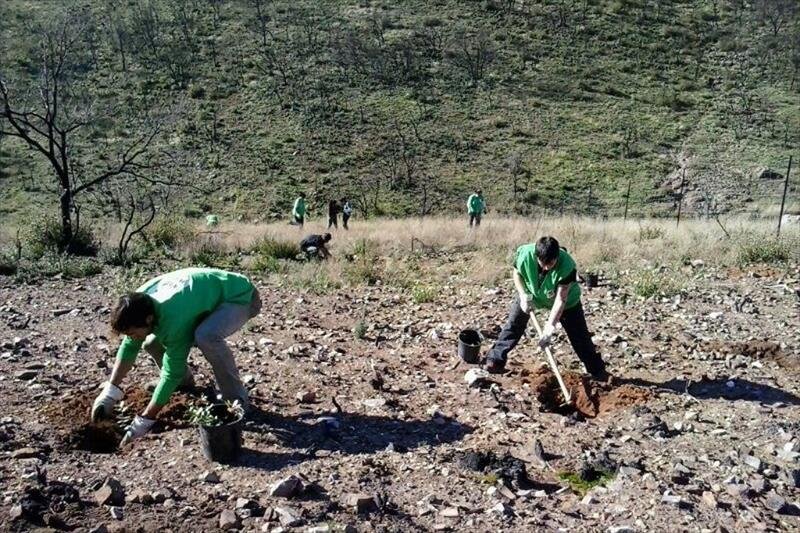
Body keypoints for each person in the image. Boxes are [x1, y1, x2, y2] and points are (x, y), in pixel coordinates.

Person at [91, 268, 261, 445]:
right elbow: (129, 346)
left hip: (239, 296)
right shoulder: (137, 303)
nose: (131, 337)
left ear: (149, 319)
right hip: (202, 295)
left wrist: (145, 419)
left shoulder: (174, 319)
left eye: (132, 332)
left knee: (206, 336)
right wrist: (110, 392)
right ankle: (183, 384)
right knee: (149, 343)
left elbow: (171, 372)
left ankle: (236, 399)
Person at [484, 236, 609, 381]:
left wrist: (550, 327)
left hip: (567, 302)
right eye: (543, 263)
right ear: (536, 256)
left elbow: (560, 299)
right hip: (532, 294)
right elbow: (516, 273)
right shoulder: (525, 254)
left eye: (551, 263)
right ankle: (495, 359)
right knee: (513, 324)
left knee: (580, 336)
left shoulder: (567, 265)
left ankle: (597, 371)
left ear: (557, 256)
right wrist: (523, 294)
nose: (546, 268)